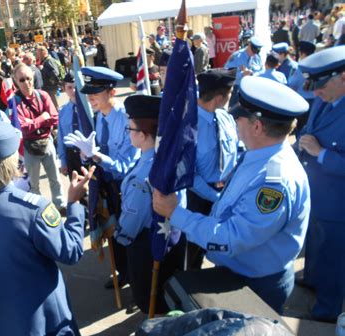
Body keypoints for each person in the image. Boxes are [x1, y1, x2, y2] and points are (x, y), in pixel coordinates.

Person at [153, 76, 310, 313]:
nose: (234, 120)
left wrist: (175, 213)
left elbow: (231, 238)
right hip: (242, 272)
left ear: (257, 126)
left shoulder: (273, 182)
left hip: (256, 284)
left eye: (239, 117)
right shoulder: (261, 154)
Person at [0, 121, 94, 336]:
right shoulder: (33, 208)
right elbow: (71, 252)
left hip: (5, 320)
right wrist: (74, 204)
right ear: (11, 161)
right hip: (47, 319)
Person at [64, 66, 140, 289]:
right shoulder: (100, 117)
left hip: (124, 188)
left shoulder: (127, 121)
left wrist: (95, 155)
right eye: (88, 93)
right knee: (113, 234)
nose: (90, 98)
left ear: (112, 92)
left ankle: (136, 278)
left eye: (95, 93)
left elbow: (125, 167)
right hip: (106, 185)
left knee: (128, 235)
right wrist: (89, 156)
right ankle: (123, 272)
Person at [116, 95, 185, 314]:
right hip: (172, 237)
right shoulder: (168, 158)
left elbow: (131, 222)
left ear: (144, 134)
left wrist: (118, 236)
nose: (128, 133)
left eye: (130, 128)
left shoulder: (144, 175)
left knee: (150, 297)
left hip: (147, 244)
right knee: (169, 292)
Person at [296, 46, 345, 323]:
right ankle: (312, 281)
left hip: (339, 202)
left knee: (334, 257)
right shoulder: (326, 99)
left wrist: (321, 153)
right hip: (316, 193)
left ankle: (326, 312)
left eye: (321, 85)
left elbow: (319, 145)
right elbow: (309, 131)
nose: (315, 92)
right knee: (315, 243)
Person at [187, 68, 240, 269]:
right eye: (230, 92)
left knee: (226, 245)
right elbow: (189, 174)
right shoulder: (189, 126)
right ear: (219, 97)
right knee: (194, 248)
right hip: (200, 197)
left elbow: (237, 151)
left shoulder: (226, 117)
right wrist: (215, 197)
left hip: (228, 192)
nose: (231, 96)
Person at [12, 63, 66, 211]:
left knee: (55, 178)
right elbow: (22, 128)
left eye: (28, 78)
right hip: (28, 147)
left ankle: (60, 205)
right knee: (33, 184)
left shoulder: (43, 95)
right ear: (16, 82)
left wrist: (33, 123)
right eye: (21, 80)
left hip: (47, 141)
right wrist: (42, 118)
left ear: (33, 77)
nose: (26, 83)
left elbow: (55, 119)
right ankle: (38, 210)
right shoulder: (15, 101)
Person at [57, 71, 85, 178]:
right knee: (77, 191)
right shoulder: (63, 111)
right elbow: (61, 138)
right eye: (69, 87)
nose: (73, 91)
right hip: (71, 156)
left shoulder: (89, 108)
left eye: (76, 87)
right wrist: (63, 161)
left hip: (87, 153)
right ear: (64, 88)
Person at [225, 37, 264, 108]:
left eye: (256, 52)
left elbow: (261, 71)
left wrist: (252, 74)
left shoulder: (257, 57)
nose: (254, 54)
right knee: (234, 112)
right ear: (249, 45)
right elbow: (228, 73)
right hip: (238, 89)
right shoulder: (237, 56)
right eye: (253, 51)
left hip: (252, 89)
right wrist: (242, 74)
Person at [287, 41, 316, 134]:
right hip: (316, 102)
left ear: (302, 53)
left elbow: (292, 85)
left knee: (300, 130)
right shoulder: (318, 67)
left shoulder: (302, 68)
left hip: (302, 102)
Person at [37, 45, 61, 110]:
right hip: (48, 87)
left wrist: (43, 69)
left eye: (38, 53)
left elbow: (55, 73)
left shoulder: (49, 60)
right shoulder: (44, 61)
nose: (37, 55)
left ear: (43, 53)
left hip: (52, 88)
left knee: (55, 106)